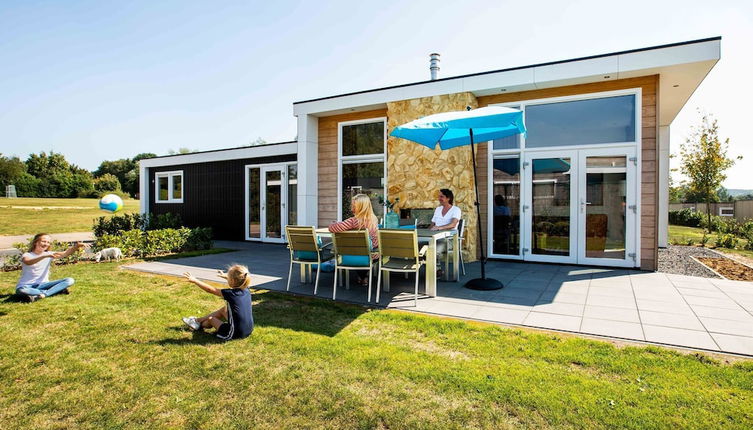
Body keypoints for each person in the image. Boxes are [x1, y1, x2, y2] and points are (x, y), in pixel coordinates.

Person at [182, 264, 254, 341]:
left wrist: (195, 280)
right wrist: (225, 276)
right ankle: (197, 321)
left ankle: (197, 324)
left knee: (210, 319)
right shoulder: (246, 289)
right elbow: (237, 281)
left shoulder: (231, 294)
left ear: (233, 280)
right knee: (224, 309)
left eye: (228, 277)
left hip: (235, 333)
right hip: (248, 329)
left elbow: (210, 289)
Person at [16, 233, 85, 302]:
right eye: (43, 241)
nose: (46, 244)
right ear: (36, 242)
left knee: (69, 280)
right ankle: (55, 291)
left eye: (48, 242)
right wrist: (44, 256)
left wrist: (76, 246)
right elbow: (28, 262)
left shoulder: (49, 254)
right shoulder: (27, 255)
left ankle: (44, 294)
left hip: (44, 284)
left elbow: (65, 253)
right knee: (22, 291)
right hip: (26, 286)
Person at [328, 193, 379, 286]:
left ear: (361, 208)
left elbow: (332, 228)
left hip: (354, 255)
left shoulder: (353, 221)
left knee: (354, 250)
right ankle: (364, 276)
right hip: (372, 255)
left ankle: (362, 276)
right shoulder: (374, 219)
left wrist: (334, 223)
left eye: (354, 206)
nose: (352, 208)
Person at [430, 189, 461, 277]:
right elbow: (432, 224)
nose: (439, 198)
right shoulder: (438, 209)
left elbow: (453, 224)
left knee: (433, 250)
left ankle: (436, 270)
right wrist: (427, 232)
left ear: (448, 198)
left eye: (441, 196)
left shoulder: (456, 210)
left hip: (449, 239)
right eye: (439, 196)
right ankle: (435, 270)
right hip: (435, 236)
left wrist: (439, 228)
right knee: (420, 247)